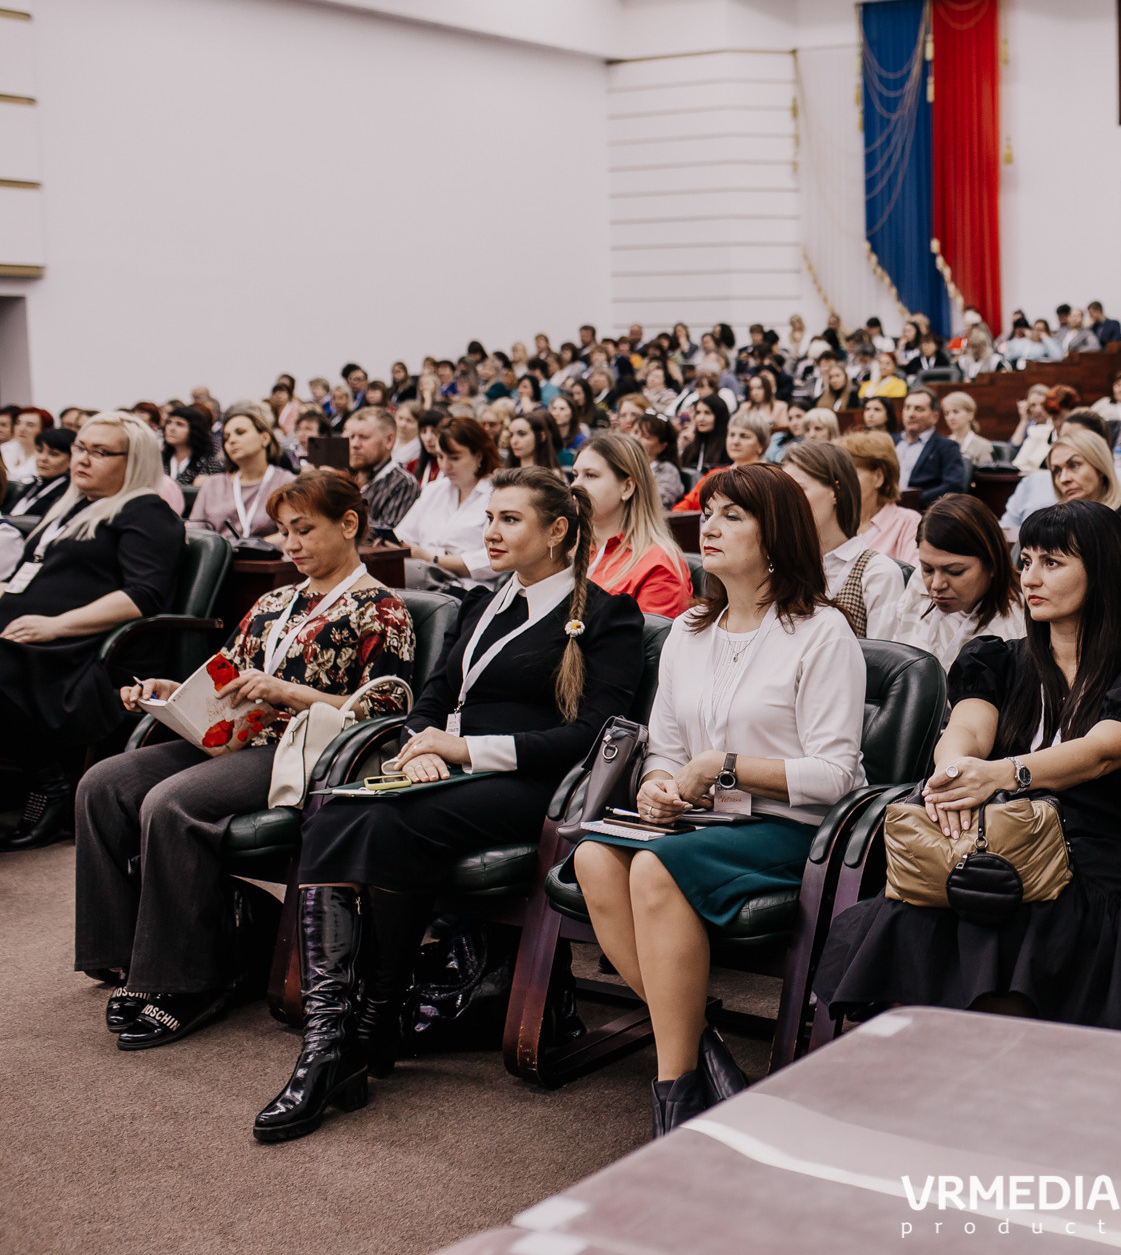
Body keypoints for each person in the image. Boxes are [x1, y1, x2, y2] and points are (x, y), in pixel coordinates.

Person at [256, 469, 644, 1142]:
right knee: (334, 805)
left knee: (381, 818)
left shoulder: (609, 614)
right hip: (447, 775)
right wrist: (419, 747)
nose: (491, 531)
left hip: (533, 786)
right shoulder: (482, 602)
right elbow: (432, 696)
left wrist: (467, 752)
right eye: (489, 517)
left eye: (510, 520)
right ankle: (335, 1040)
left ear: (557, 531)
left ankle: (353, 1039)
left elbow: (590, 735)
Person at [817, 500, 1121, 1032]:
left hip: (1085, 858)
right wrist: (952, 774)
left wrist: (1001, 774)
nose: (1031, 578)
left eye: (1052, 563)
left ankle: (989, 1082)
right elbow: (966, 730)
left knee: (1008, 925)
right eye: (1027, 560)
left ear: (1102, 572)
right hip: (992, 840)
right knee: (925, 908)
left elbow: (1101, 751)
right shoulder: (998, 658)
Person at [573, 463, 865, 1134]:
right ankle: (702, 1047)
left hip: (789, 830)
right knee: (594, 858)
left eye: (734, 515)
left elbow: (836, 775)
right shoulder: (690, 631)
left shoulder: (822, 632)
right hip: (702, 827)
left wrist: (726, 767)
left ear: (777, 535)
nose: (710, 525)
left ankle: (672, 1094)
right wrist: (656, 788)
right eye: (709, 512)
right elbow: (667, 752)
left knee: (650, 867)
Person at [75, 471, 416, 1044]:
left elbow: (384, 711)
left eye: (304, 530)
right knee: (101, 783)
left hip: (297, 749)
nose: (292, 545)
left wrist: (289, 692)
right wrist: (168, 690)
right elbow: (225, 676)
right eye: (284, 532)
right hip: (232, 736)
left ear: (349, 524)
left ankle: (187, 981)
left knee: (170, 803)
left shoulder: (381, 609)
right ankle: (126, 959)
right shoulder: (274, 600)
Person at [0, 412, 187, 850]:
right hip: (31, 638)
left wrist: (54, 626)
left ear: (134, 460)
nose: (82, 459)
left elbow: (143, 596)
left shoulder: (146, 510)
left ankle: (51, 781)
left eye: (100, 452)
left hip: (75, 653)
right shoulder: (71, 505)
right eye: (81, 447)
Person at [779, 441, 906, 641]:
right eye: (783, 494)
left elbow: (885, 666)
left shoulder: (878, 573)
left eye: (799, 490)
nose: (787, 503)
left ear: (836, 492)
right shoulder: (780, 566)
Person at [898, 493, 1027, 669]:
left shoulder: (1020, 624)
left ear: (992, 564)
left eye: (955, 571)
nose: (936, 584)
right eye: (927, 569)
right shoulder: (918, 583)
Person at [570, 434, 693, 619]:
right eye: (575, 475)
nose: (576, 485)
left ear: (627, 487)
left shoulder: (658, 567)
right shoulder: (565, 547)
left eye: (590, 475)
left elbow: (645, 645)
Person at [394, 415, 499, 589]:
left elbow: (493, 561)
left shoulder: (497, 495)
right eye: (440, 457)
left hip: (468, 590)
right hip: (420, 582)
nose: (444, 466)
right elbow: (402, 537)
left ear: (479, 456)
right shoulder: (434, 490)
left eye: (454, 458)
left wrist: (433, 559)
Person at [186, 403, 296, 546]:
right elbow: (193, 532)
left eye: (240, 432)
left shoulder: (287, 483)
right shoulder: (213, 484)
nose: (231, 440)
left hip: (269, 563)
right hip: (221, 563)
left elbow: (294, 533)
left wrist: (249, 546)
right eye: (226, 437)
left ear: (265, 438)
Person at [1044, 428, 1121, 563]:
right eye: (1057, 471)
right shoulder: (1048, 522)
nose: (1063, 479)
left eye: (1074, 465)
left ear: (1100, 468)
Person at [836, 428, 922, 564]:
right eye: (839, 474)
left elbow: (913, 580)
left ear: (878, 477)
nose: (840, 482)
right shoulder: (836, 521)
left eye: (850, 474)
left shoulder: (909, 523)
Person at [342, 407, 419, 533]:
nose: (354, 444)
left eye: (364, 437)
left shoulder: (403, 484)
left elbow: (386, 539)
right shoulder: (344, 476)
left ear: (389, 440)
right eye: (351, 437)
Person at [892, 390, 968, 501]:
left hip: (921, 511)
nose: (911, 414)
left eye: (919, 409)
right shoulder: (890, 441)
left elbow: (953, 486)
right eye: (907, 408)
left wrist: (910, 501)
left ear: (935, 416)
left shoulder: (947, 447)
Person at [5, 425, 73, 519]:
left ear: (71, 459)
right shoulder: (35, 484)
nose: (43, 458)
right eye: (40, 451)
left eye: (54, 454)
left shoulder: (67, 492)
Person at [160, 405, 221, 485]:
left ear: (194, 430)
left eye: (180, 424)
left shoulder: (208, 463)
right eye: (169, 422)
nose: (171, 428)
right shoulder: (159, 459)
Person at [939, 390, 995, 466]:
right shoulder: (943, 444)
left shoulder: (983, 446)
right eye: (947, 413)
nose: (950, 417)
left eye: (956, 412)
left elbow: (987, 476)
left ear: (970, 415)